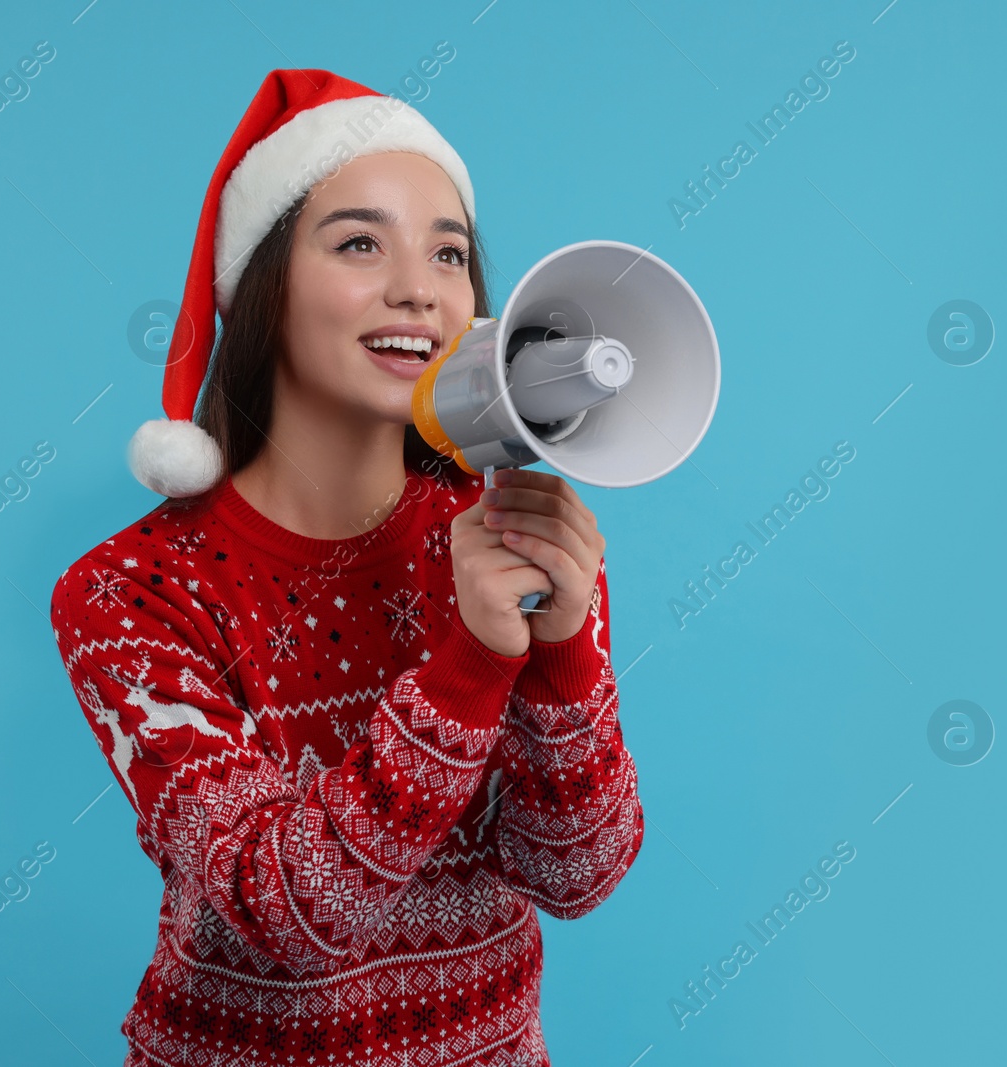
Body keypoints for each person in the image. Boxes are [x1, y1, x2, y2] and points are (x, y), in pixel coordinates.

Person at [48, 69, 644, 1067]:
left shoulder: (508, 538)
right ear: (263, 286)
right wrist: (467, 666)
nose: (419, 286)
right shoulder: (130, 591)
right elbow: (274, 913)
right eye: (360, 241)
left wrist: (562, 663)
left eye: (448, 251)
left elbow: (577, 874)